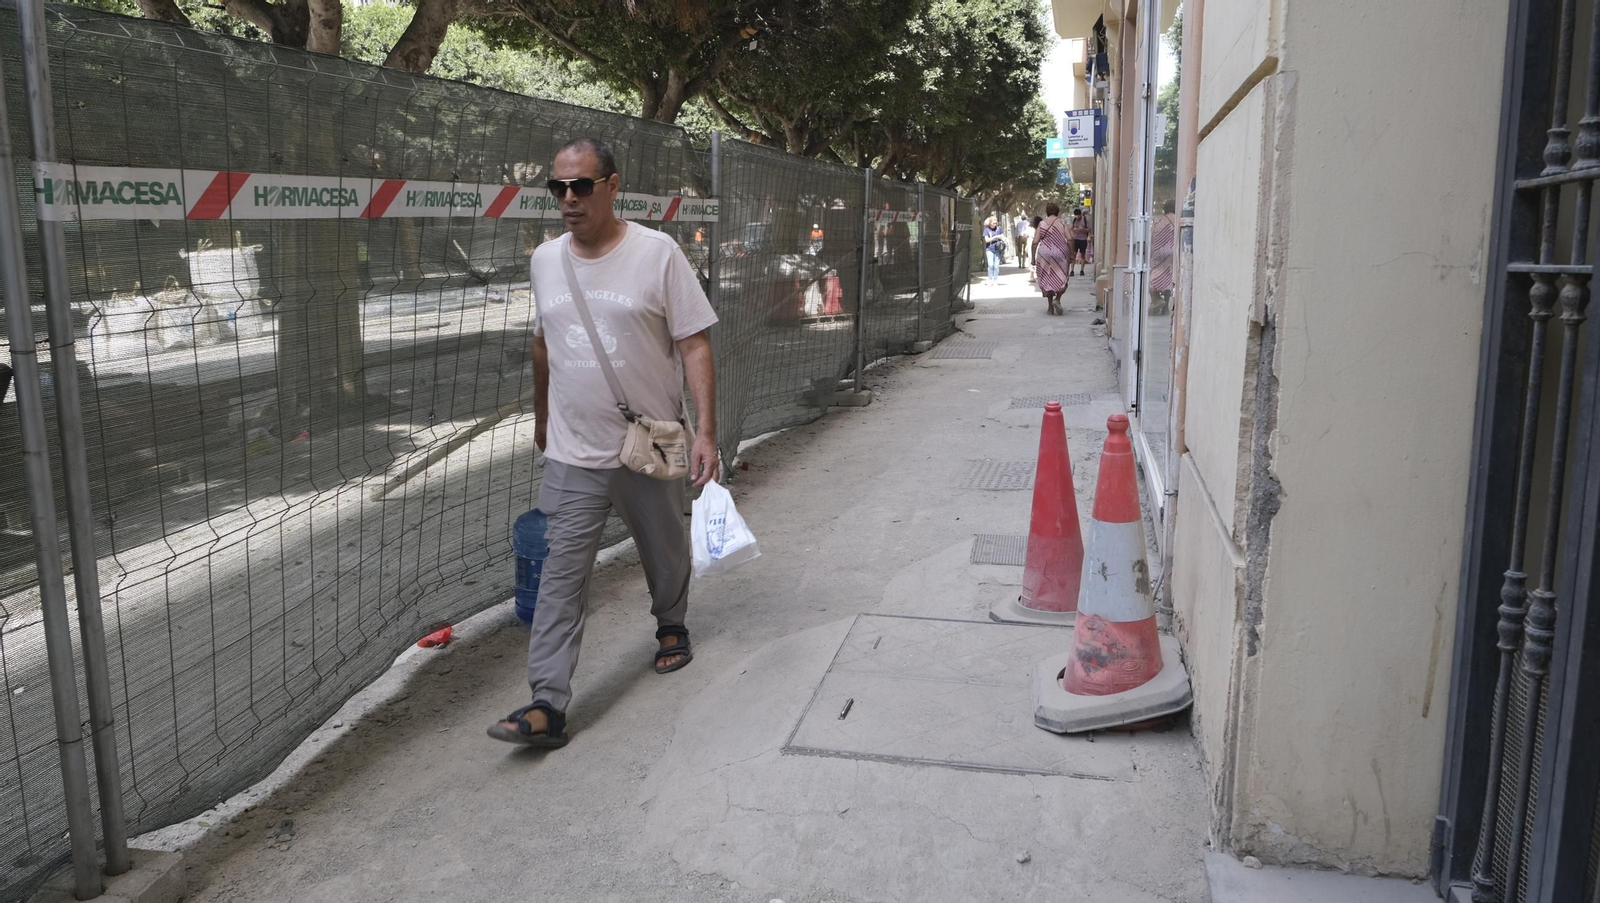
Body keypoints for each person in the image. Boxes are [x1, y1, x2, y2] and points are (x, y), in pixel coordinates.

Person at [490, 137, 720, 749]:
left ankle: (671, 623)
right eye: (558, 188)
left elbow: (695, 342)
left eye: (581, 186)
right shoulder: (545, 261)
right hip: (573, 452)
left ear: (612, 187)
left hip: (652, 439)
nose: (569, 199)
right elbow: (543, 343)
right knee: (560, 577)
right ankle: (547, 703)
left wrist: (707, 433)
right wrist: (542, 417)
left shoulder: (658, 254)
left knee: (666, 549)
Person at [1033, 203, 1071, 316]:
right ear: (1058, 211)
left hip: (1044, 254)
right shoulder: (1062, 222)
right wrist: (1072, 253)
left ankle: (1050, 307)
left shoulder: (1042, 223)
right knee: (1062, 277)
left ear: (1047, 212)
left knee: (1047, 278)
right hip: (1060, 252)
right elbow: (1069, 239)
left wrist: (1033, 258)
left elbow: (1035, 242)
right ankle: (1057, 299)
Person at [1069, 208, 1092, 276]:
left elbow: (1089, 229)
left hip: (1083, 239)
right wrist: (1074, 229)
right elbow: (1071, 228)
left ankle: (1082, 270)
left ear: (1080, 215)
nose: (1077, 217)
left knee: (1082, 255)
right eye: (1076, 215)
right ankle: (1072, 270)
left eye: (1078, 215)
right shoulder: (1074, 220)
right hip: (1075, 239)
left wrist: (1083, 229)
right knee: (1074, 255)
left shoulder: (1085, 220)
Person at [982, 215, 1005, 284]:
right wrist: (995, 237)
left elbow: (1003, 236)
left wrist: (1002, 238)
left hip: (998, 249)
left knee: (996, 265)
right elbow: (986, 240)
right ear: (990, 223)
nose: (995, 224)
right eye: (993, 223)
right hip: (989, 249)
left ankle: (995, 280)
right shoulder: (986, 230)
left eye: (996, 223)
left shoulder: (999, 229)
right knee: (990, 264)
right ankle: (990, 279)